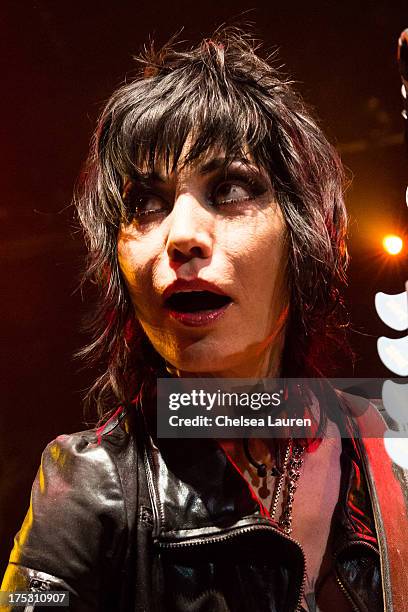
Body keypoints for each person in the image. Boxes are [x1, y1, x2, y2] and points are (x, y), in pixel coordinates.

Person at [2, 28, 408, 612]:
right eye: (146, 204)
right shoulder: (88, 488)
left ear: (312, 236)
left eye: (231, 188)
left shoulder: (386, 447)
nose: (182, 236)